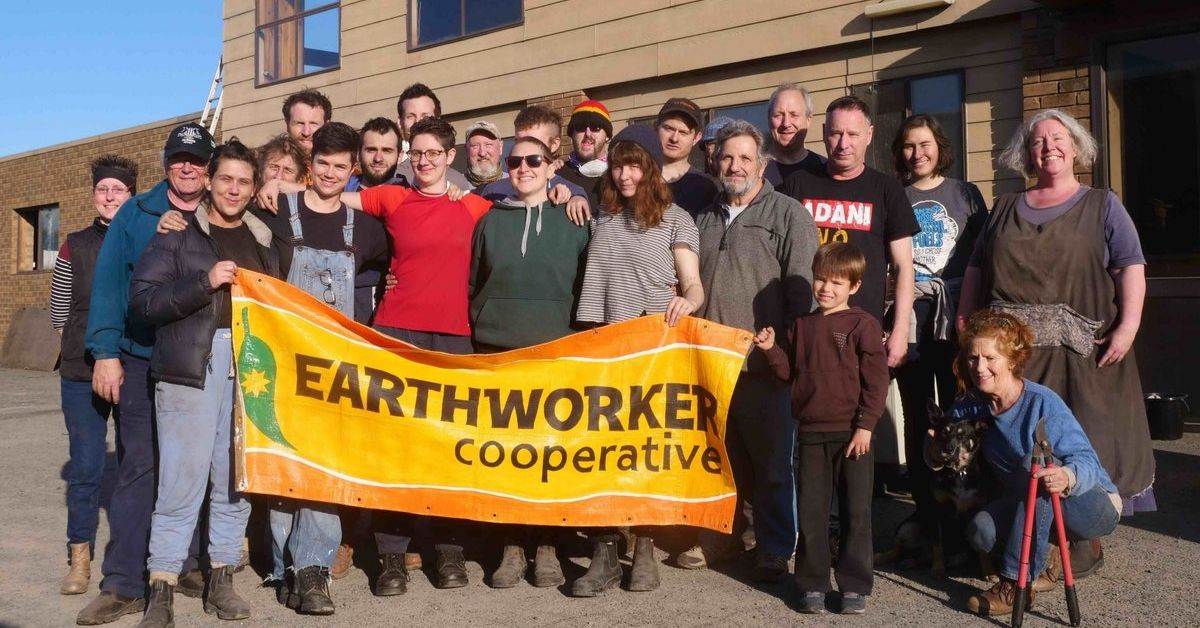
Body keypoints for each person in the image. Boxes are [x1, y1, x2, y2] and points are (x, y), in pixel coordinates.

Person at [957, 108, 1155, 575]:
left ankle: (1083, 541)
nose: (1048, 147)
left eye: (1057, 138)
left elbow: (1131, 265)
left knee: (1075, 450)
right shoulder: (1003, 207)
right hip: (1011, 362)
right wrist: (966, 320)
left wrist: (1127, 327)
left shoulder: (1104, 204)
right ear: (1025, 153)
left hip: (1081, 362)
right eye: (1037, 141)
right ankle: (1013, 537)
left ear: (1077, 145)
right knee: (1011, 448)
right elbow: (976, 269)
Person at [128, 139, 282, 627]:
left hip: (250, 366)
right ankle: (163, 587)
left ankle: (222, 578)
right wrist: (204, 282)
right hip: (190, 369)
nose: (234, 190)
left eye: (244, 181)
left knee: (236, 480)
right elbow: (144, 304)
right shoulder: (174, 234)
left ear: (253, 187)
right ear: (209, 183)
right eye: (226, 180)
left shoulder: (264, 239)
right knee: (180, 483)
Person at [342, 117, 493, 594]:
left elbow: (525, 207)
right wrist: (272, 188)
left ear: (452, 157)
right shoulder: (392, 197)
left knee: (448, 446)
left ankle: (448, 549)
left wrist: (565, 194)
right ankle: (390, 554)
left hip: (453, 336)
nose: (424, 161)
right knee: (396, 445)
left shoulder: (475, 207)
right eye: (418, 153)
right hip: (396, 332)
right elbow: (323, 198)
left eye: (434, 153)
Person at [78, 123, 216, 625]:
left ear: (209, 167)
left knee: (197, 463)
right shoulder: (136, 215)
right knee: (140, 465)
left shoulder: (218, 213)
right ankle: (124, 583)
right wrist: (106, 353)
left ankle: (191, 563)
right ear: (166, 164)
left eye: (197, 160)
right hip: (141, 358)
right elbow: (110, 288)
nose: (188, 167)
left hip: (198, 361)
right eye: (179, 158)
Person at [572, 123, 704, 597]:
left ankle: (644, 545)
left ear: (650, 167)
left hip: (652, 347)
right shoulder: (600, 215)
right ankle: (606, 551)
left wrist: (689, 300)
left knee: (645, 447)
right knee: (603, 450)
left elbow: (693, 284)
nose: (625, 175)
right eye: (618, 164)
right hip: (603, 345)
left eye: (634, 164)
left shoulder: (676, 218)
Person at [689, 120, 818, 578]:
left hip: (765, 363)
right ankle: (723, 540)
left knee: (772, 466)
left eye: (745, 158)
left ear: (761, 165)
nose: (734, 165)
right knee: (722, 460)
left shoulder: (788, 215)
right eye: (726, 157)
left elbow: (803, 294)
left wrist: (785, 354)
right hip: (711, 364)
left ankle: (775, 547)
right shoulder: (702, 219)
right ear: (715, 161)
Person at [468, 136, 589, 588]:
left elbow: (589, 285)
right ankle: (511, 547)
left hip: (556, 353)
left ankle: (548, 546)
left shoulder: (575, 218)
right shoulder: (489, 220)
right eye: (515, 161)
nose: (524, 168)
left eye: (534, 160)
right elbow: (471, 281)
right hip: (497, 353)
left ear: (552, 165)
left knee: (550, 457)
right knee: (505, 457)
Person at [942, 311, 1121, 616]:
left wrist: (1066, 475)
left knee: (1034, 464)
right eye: (973, 358)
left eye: (990, 358)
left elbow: (1088, 461)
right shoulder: (971, 404)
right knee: (980, 532)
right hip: (1028, 500)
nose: (979, 367)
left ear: (1012, 361)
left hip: (1089, 503)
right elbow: (938, 440)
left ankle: (1015, 583)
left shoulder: (1042, 402)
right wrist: (934, 450)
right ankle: (1046, 554)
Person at [756, 242, 887, 615]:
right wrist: (771, 350)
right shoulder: (801, 326)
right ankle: (811, 583)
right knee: (812, 514)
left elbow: (876, 383)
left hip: (853, 435)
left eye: (836, 282)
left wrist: (865, 426)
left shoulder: (863, 324)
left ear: (855, 287)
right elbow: (788, 375)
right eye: (820, 279)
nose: (825, 288)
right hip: (811, 433)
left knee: (856, 512)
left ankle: (854, 585)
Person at [890, 114, 988, 553]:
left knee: (957, 407)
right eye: (910, 146)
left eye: (925, 144)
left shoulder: (965, 193)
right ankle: (924, 508)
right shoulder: (894, 193)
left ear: (939, 146)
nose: (918, 153)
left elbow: (983, 254)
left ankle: (961, 509)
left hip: (955, 313)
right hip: (909, 312)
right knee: (915, 412)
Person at [50, 155, 137, 596]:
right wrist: (78, 345)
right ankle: (79, 557)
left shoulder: (143, 239)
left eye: (118, 190)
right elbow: (60, 308)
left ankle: (128, 555)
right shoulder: (74, 244)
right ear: (94, 195)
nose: (109, 197)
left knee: (131, 466)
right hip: (80, 372)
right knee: (85, 468)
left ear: (130, 195)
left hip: (130, 369)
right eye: (103, 189)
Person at [781, 95, 918, 368]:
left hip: (861, 335)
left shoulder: (887, 190)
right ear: (823, 134)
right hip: (803, 332)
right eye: (835, 133)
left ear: (869, 135)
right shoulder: (796, 186)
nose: (843, 144)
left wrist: (900, 331)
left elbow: (904, 267)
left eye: (853, 134)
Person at [475, 105, 587, 204]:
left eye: (533, 141)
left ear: (554, 144)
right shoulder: (493, 192)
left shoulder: (573, 195)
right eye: (518, 141)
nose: (524, 147)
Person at [393, 82, 471, 189]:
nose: (418, 122)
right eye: (410, 116)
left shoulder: (457, 181)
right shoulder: (391, 178)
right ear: (400, 123)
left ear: (438, 120)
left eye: (425, 116)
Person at [656, 97, 719, 216]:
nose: (674, 138)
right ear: (656, 128)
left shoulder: (706, 188)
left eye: (683, 132)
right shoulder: (635, 178)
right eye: (669, 128)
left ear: (696, 138)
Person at [764, 83, 826, 188]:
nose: (786, 123)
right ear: (769, 119)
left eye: (794, 115)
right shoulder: (755, 171)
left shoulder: (825, 169)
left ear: (808, 120)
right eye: (778, 115)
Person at [557, 99, 613, 207]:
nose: (588, 134)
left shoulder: (620, 175)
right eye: (580, 127)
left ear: (607, 136)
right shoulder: (556, 175)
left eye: (596, 127)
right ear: (571, 134)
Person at [348, 117, 408, 191]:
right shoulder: (338, 192)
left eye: (386, 151)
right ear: (359, 153)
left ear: (399, 156)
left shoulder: (411, 197)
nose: (378, 158)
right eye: (371, 150)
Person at [282, 89, 332, 155]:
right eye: (299, 123)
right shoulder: (271, 162)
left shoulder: (343, 161)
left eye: (313, 124)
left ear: (327, 126)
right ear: (287, 125)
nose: (306, 133)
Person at [464, 120, 504, 190]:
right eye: (475, 146)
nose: (482, 153)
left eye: (488, 145)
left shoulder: (515, 185)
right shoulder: (455, 187)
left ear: (500, 147)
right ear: (467, 150)